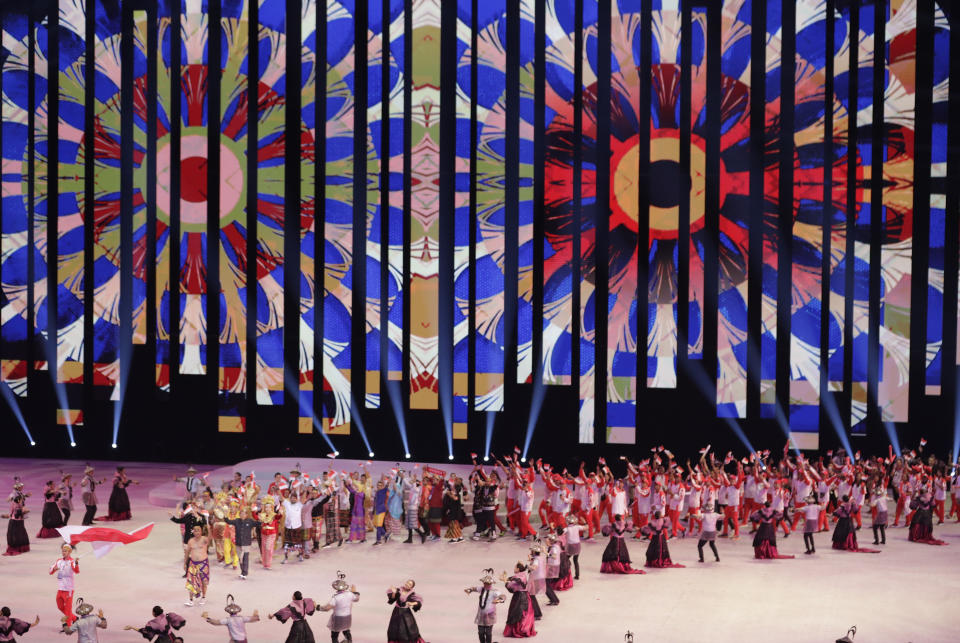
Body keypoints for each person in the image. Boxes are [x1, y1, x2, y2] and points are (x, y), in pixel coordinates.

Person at [318, 572, 359, 643]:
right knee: (346, 631)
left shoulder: (336, 598)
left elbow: (327, 608)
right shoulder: (350, 594)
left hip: (338, 619)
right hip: (348, 617)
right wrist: (354, 591)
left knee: (334, 635)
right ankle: (349, 641)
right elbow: (357, 599)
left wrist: (318, 607)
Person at [464, 569, 504, 643]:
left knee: (488, 633)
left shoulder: (494, 591)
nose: (486, 584)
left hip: (490, 616)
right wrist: (470, 590)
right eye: (485, 583)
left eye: (488, 583)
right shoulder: (481, 589)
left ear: (491, 584)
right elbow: (475, 588)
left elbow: (502, 596)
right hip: (481, 615)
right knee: (481, 633)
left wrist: (499, 600)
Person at [170, 502, 207, 578]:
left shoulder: (201, 516)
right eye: (191, 508)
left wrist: (197, 516)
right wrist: (172, 517)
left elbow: (204, 523)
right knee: (187, 557)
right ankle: (187, 572)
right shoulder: (188, 516)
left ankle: (198, 572)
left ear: (197, 508)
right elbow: (179, 521)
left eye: (194, 507)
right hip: (188, 539)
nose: (192, 509)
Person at [501, 564, 536, 638]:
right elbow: (512, 579)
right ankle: (525, 628)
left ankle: (518, 630)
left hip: (519, 597)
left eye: (515, 567)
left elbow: (510, 586)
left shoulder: (517, 577)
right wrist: (505, 578)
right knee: (524, 613)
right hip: (526, 596)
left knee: (516, 613)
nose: (514, 568)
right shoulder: (522, 574)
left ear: (518, 569)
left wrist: (504, 580)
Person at [226, 505, 259, 579]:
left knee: (245, 558)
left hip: (246, 543)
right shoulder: (237, 521)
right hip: (238, 543)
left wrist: (261, 518)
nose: (242, 515)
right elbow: (228, 521)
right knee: (240, 558)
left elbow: (258, 523)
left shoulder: (250, 521)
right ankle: (242, 572)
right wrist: (225, 515)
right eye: (241, 513)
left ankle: (245, 573)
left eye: (244, 514)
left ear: (246, 515)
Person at [50, 543, 80, 626]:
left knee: (67, 609)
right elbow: (50, 571)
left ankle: (69, 627)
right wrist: (54, 569)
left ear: (69, 552)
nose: (63, 552)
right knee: (60, 606)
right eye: (63, 551)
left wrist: (76, 563)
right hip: (60, 588)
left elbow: (77, 571)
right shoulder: (59, 561)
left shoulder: (72, 562)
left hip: (68, 589)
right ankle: (74, 618)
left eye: (65, 551)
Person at [184, 525, 211, 606]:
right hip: (193, 564)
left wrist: (209, 530)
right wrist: (185, 563)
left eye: (198, 530)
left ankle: (203, 597)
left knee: (204, 582)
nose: (197, 532)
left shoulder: (204, 539)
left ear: (201, 531)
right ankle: (191, 600)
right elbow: (187, 553)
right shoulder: (190, 541)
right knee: (191, 582)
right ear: (193, 532)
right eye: (195, 531)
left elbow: (210, 538)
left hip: (203, 564)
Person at [3, 480, 30, 555]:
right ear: (18, 487)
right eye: (21, 486)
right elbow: (8, 500)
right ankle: (16, 546)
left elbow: (21, 500)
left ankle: (21, 546)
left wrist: (25, 496)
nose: (22, 487)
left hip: (19, 516)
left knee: (20, 530)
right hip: (16, 516)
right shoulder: (14, 494)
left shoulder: (20, 494)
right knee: (16, 531)